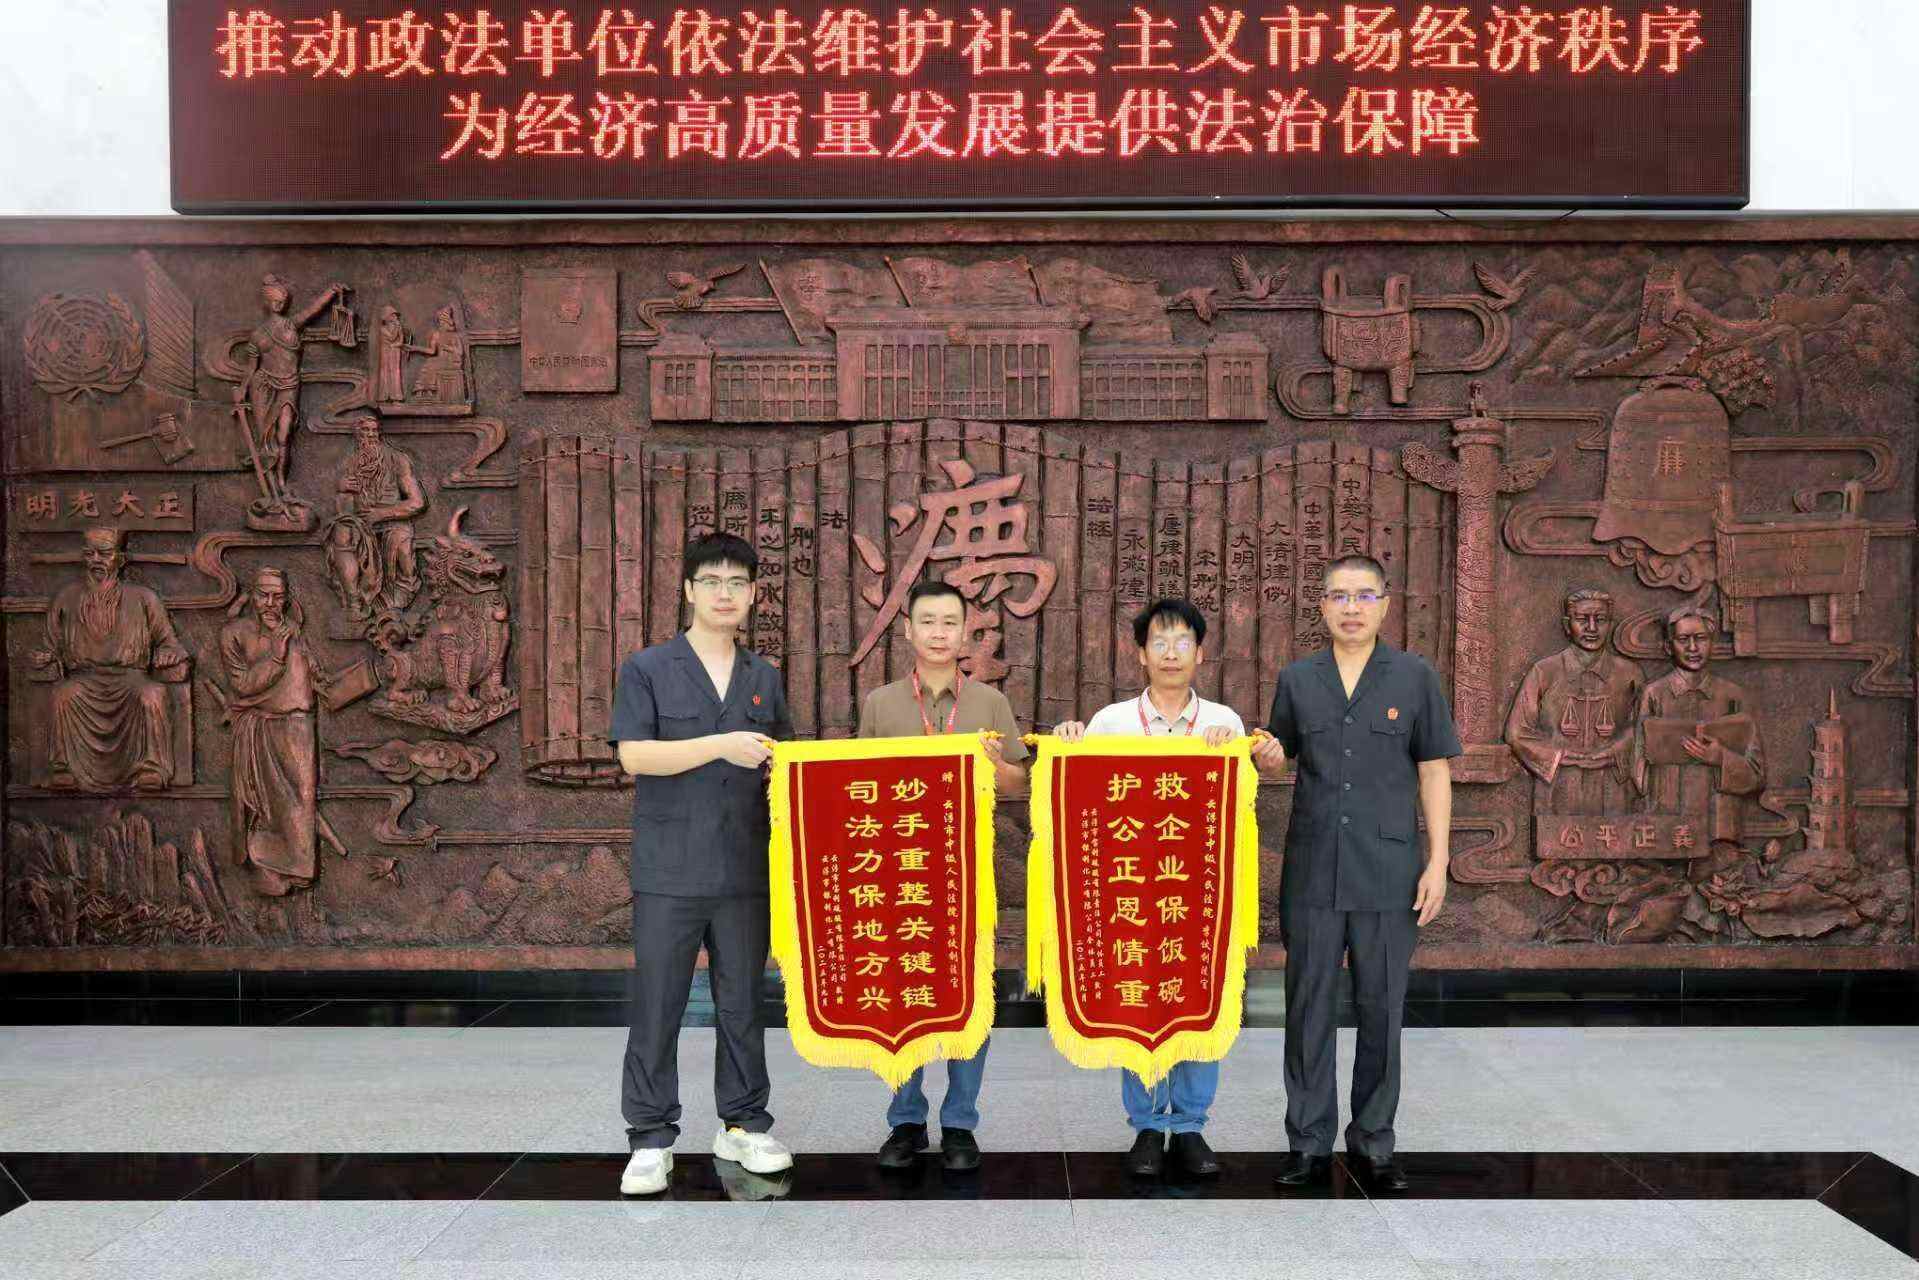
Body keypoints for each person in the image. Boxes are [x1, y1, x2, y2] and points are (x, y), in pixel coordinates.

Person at [1262, 555, 1460, 1193]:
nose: (1352, 607)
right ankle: (1307, 1142)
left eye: (1364, 595)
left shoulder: (1414, 676)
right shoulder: (1298, 679)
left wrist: (1438, 861)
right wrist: (1265, 755)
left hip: (1389, 871)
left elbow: (1434, 770)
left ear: (1384, 604)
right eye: (1340, 596)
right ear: (1322, 606)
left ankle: (1374, 1140)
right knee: (1308, 1008)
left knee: (1381, 1007)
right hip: (1313, 871)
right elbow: (1278, 758)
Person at [609, 532, 795, 1195]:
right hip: (670, 869)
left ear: (753, 595)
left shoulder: (762, 676)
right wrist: (718, 743)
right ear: (688, 590)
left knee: (742, 1002)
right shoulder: (648, 668)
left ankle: (743, 1123)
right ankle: (650, 1136)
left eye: (738, 583)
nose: (725, 594)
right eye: (712, 581)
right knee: (658, 1003)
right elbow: (634, 756)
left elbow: (783, 765)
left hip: (744, 869)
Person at [1054, 598, 1242, 1180]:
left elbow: (1243, 802)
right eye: (1158, 642)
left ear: (1200, 653)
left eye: (1182, 641)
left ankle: (1189, 1127)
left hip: (1199, 896)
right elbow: (1079, 798)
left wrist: (1236, 752)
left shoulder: (1223, 723)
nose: (1170, 653)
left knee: (1199, 1003)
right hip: (1130, 891)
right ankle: (1145, 1125)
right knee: (1138, 999)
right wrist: (1069, 742)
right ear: (1140, 654)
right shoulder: (1110, 723)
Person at [858, 579, 1028, 1172]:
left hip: (969, 870)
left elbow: (1020, 782)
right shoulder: (881, 703)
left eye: (949, 622)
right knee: (901, 995)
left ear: (965, 632)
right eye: (927, 621)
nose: (938, 633)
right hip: (897, 869)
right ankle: (905, 1120)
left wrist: (995, 764)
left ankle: (959, 1122)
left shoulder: (989, 702)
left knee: (971, 996)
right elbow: (859, 785)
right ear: (907, 630)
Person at [36, 527, 190, 791]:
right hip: (84, 679)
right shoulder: (66, 598)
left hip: (131, 679)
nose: (96, 560)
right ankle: (63, 768)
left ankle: (151, 768)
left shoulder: (144, 598)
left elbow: (170, 642)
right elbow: (49, 646)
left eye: (104, 553)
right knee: (63, 695)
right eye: (90, 554)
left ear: (120, 559)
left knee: (152, 695)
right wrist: (43, 656)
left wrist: (169, 653)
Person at [220, 568, 324, 896]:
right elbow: (242, 684)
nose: (270, 603)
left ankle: (299, 868)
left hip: (299, 728)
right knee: (268, 805)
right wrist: (276, 658)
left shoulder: (293, 631)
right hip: (262, 728)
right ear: (251, 596)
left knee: (302, 800)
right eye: (263, 595)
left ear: (286, 599)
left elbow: (310, 674)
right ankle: (267, 867)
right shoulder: (234, 634)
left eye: (277, 597)